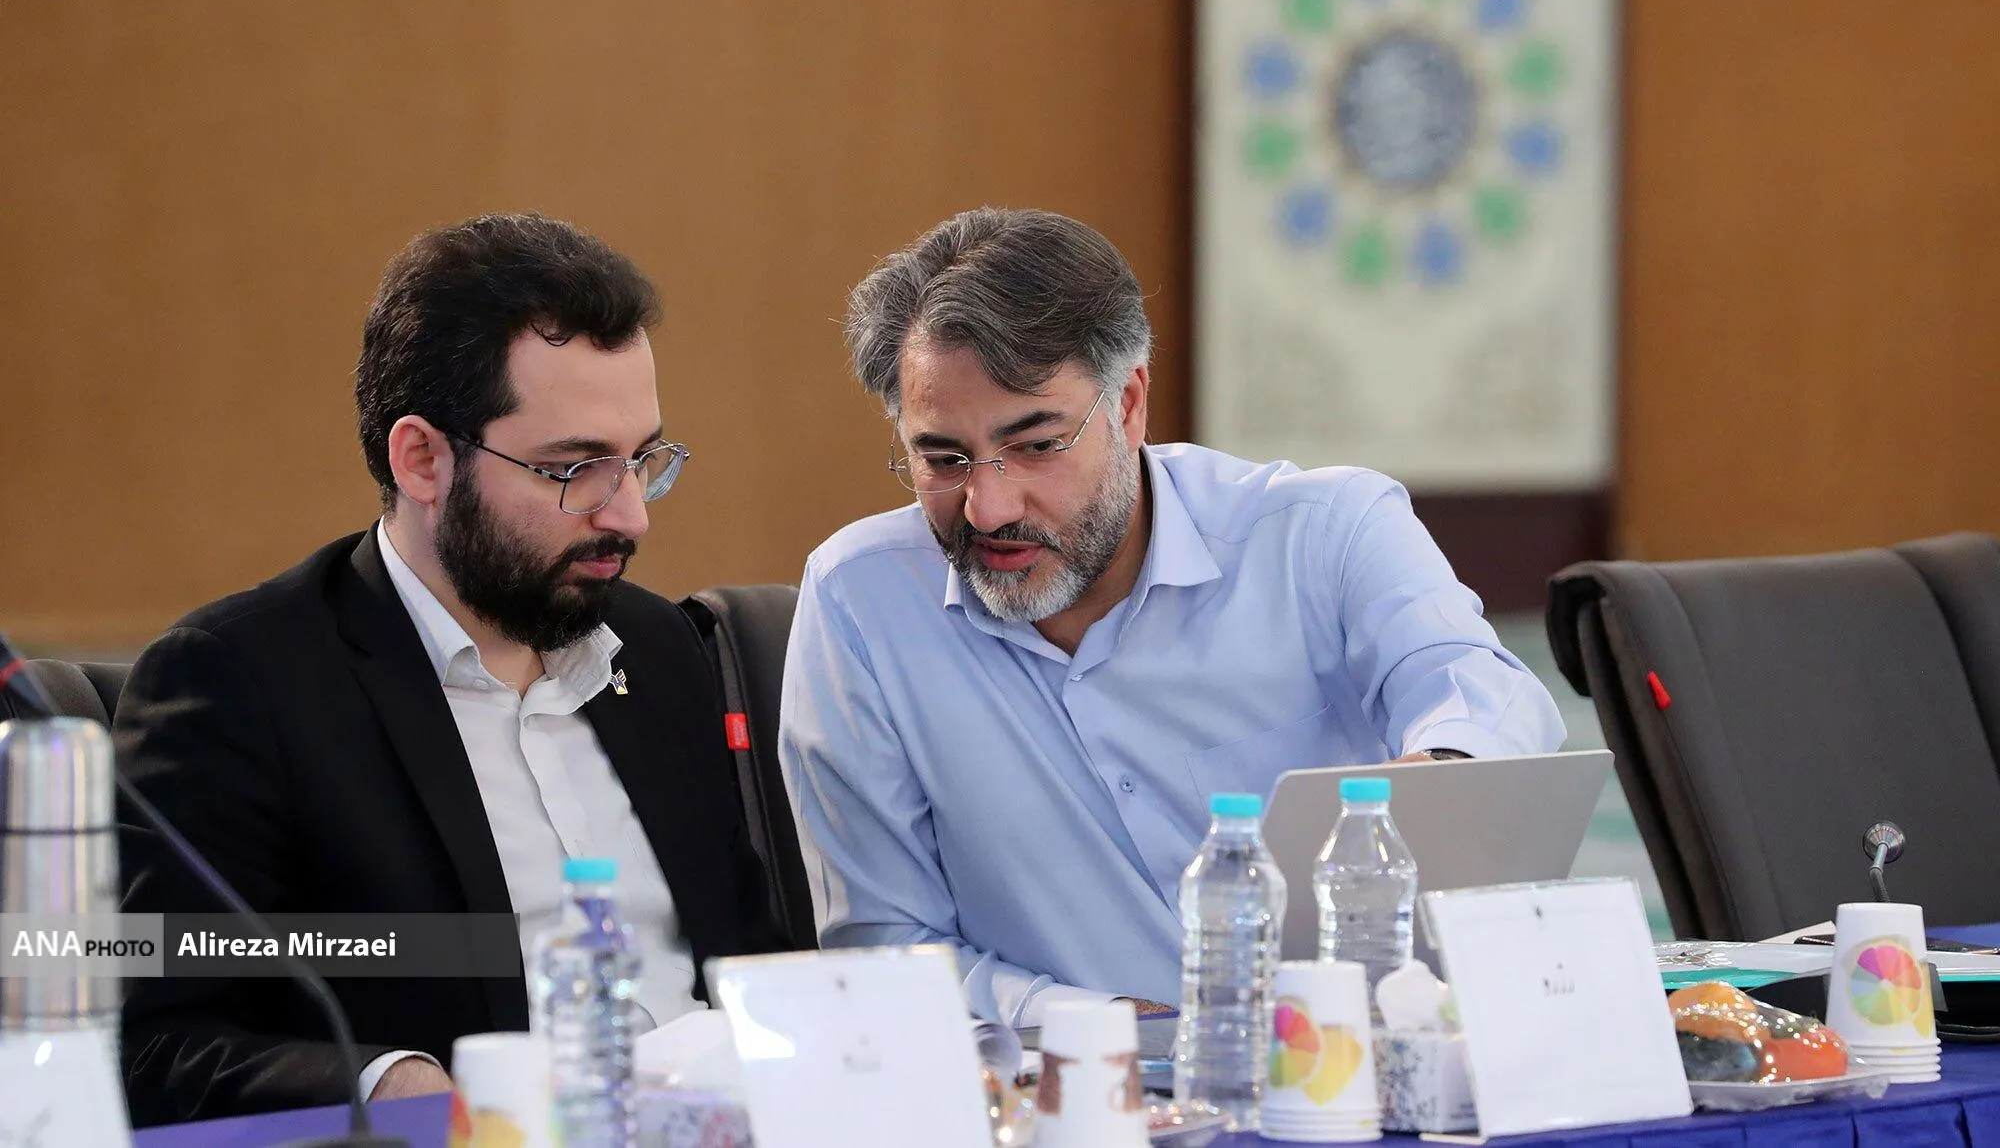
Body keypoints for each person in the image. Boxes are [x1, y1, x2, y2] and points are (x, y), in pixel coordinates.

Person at [779, 206, 1565, 1026]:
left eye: (1037, 444)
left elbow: (1485, 696)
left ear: (1129, 404)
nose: (989, 506)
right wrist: (1098, 1022)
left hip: (1344, 1067)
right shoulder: (860, 603)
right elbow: (887, 951)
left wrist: (1436, 777)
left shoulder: (1323, 533)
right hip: (1065, 1084)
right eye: (943, 458)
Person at [114, 214, 785, 1125]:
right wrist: (390, 1087)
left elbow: (753, 963)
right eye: (575, 468)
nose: (630, 515)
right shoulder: (241, 684)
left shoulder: (658, 649)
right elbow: (150, 1045)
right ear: (423, 459)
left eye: (640, 460)